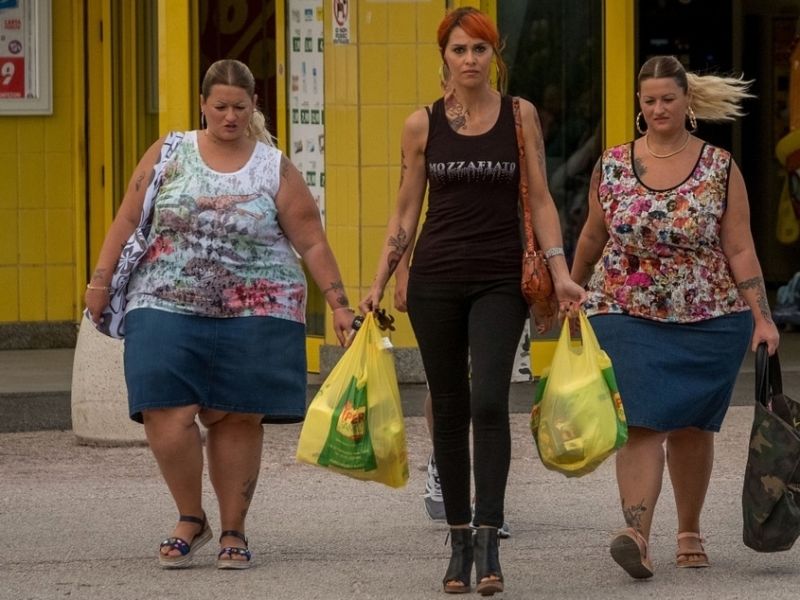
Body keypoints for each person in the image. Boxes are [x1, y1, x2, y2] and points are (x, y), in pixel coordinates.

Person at [85, 59, 354, 570]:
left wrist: (339, 304)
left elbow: (312, 241)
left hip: (256, 308)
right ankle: (191, 516)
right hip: (163, 300)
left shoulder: (274, 166)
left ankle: (234, 529)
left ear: (253, 106)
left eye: (240, 107)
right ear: (203, 105)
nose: (230, 116)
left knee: (236, 415)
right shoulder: (170, 152)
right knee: (163, 409)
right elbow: (127, 217)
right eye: (221, 106)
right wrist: (100, 281)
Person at [359, 7, 585, 595]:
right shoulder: (422, 124)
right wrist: (382, 279)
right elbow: (406, 209)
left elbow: (540, 199)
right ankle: (458, 541)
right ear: (444, 56)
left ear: (494, 54)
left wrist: (560, 273)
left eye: (479, 49)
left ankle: (489, 540)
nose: (469, 60)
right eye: (459, 50)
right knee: (450, 407)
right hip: (435, 279)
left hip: (499, 279)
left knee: (488, 400)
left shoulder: (519, 115)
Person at [570, 55, 781, 580]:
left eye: (668, 98)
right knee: (640, 422)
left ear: (687, 101)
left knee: (691, 426)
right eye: (650, 101)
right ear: (639, 106)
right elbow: (593, 235)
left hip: (710, 316)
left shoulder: (719, 167)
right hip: (625, 311)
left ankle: (689, 531)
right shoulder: (612, 164)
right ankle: (637, 536)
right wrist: (570, 290)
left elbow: (740, 248)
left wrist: (763, 319)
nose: (659, 108)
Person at [394, 254, 511, 538]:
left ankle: (486, 508)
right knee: (445, 389)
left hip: (498, 274)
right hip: (441, 274)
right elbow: (401, 226)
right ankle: (442, 457)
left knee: (489, 394)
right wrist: (400, 273)